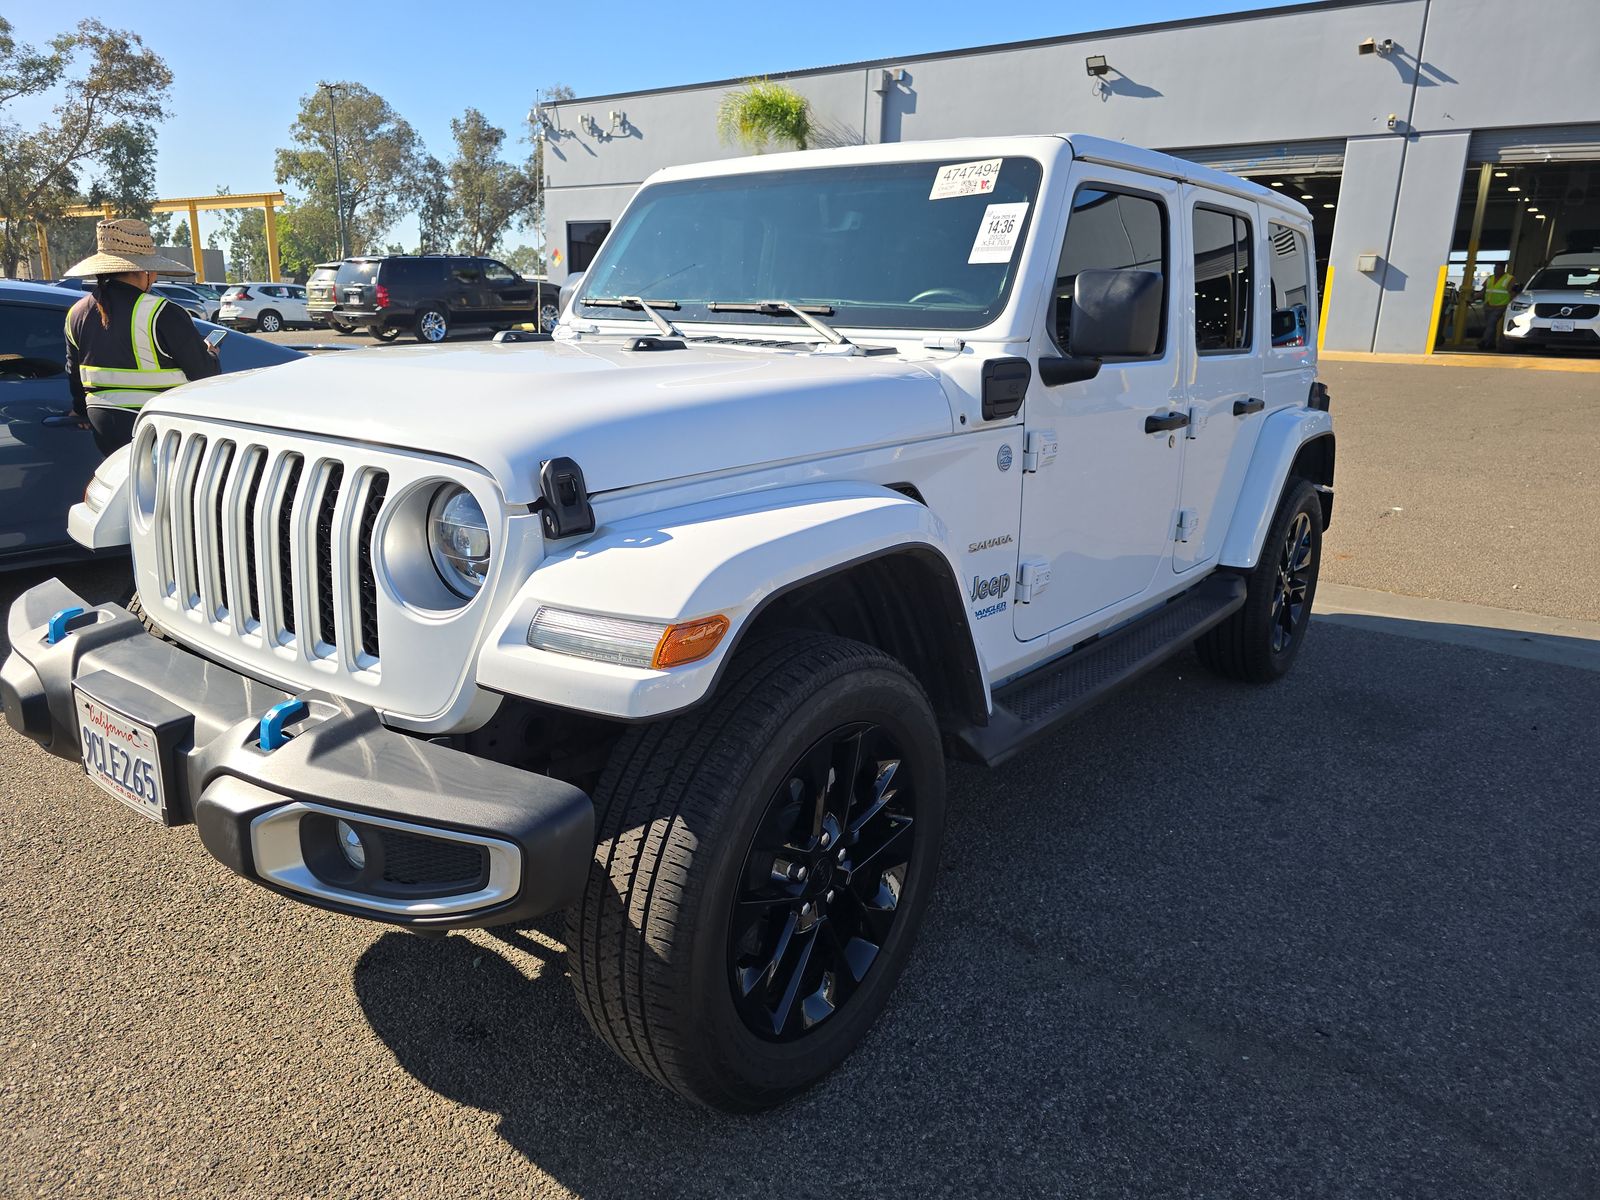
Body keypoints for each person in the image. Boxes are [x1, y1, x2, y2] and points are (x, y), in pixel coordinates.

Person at [61, 218, 221, 455]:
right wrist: (210, 353)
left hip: (104, 431)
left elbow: (75, 374)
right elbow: (205, 374)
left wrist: (80, 411)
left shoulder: (76, 313)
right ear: (144, 270)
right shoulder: (162, 312)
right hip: (158, 430)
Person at [1479, 265, 1516, 351]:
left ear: (1503, 269)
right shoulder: (1490, 278)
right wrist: (1474, 297)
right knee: (1490, 325)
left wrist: (1511, 304)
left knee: (1491, 323)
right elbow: (1484, 290)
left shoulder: (1509, 279)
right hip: (1488, 305)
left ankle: (1484, 341)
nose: (1496, 271)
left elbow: (1513, 292)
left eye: (1498, 269)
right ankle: (1491, 344)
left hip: (1501, 306)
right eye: (1495, 269)